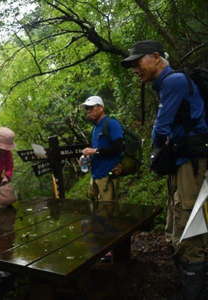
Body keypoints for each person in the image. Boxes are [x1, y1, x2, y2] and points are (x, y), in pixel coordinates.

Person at [121, 40, 208, 299]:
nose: (135, 69)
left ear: (156, 57)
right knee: (181, 216)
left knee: (189, 219)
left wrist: (157, 149)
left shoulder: (173, 81)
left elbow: (161, 128)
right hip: (185, 161)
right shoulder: (168, 84)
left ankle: (194, 288)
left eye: (138, 62)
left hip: (192, 163)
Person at [81, 96, 124, 203]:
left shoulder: (111, 123)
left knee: (108, 210)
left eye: (91, 108)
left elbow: (118, 148)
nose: (88, 111)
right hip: (95, 175)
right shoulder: (95, 128)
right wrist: (86, 158)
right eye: (87, 108)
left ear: (100, 108)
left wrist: (94, 151)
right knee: (95, 207)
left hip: (108, 175)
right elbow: (98, 150)